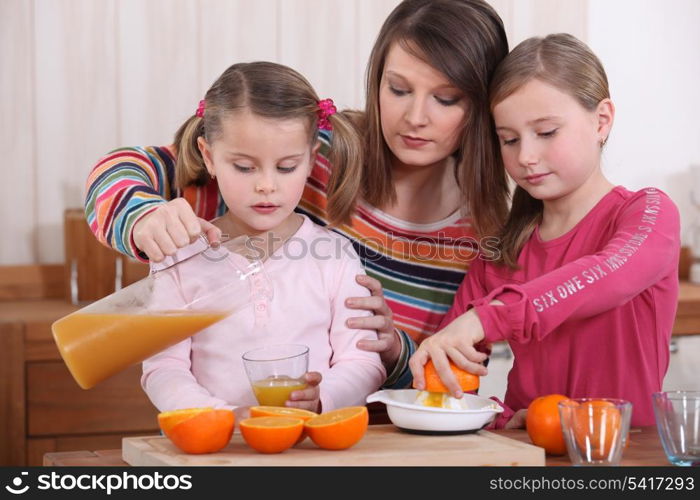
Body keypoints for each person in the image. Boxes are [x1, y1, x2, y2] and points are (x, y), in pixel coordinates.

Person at [84, 0, 509, 387]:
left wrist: (395, 351)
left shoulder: (485, 235)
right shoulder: (309, 157)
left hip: (375, 446)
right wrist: (141, 218)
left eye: (446, 98)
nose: (416, 116)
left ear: (484, 105)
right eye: (398, 89)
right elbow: (118, 171)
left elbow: (457, 380)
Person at [409, 33, 680, 428]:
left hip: (627, 459)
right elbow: (447, 381)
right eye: (509, 140)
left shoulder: (648, 212)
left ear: (602, 120)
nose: (526, 157)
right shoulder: (501, 251)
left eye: (547, 132)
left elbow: (610, 274)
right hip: (530, 461)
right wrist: (500, 420)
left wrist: (489, 317)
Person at [141, 61, 386, 418]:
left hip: (310, 451)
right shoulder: (178, 256)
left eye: (286, 167)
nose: (267, 185)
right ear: (209, 157)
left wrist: (324, 399)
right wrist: (219, 417)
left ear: (311, 160)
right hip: (213, 451)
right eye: (244, 167)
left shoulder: (333, 255)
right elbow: (163, 368)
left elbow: (363, 360)